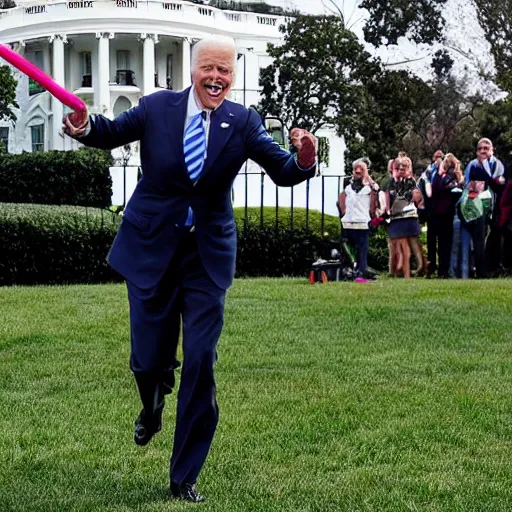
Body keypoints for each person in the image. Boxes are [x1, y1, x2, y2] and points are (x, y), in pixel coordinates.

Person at [63, 35, 318, 503]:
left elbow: (282, 169)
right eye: (210, 70)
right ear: (193, 69)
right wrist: (83, 126)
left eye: (226, 71)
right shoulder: (157, 107)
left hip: (206, 256)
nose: (217, 78)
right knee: (147, 360)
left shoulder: (243, 122)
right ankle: (152, 401)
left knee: (201, 359)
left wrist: (305, 158)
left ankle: (184, 476)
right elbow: (109, 131)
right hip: (151, 246)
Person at [460, 138, 505, 278]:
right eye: (480, 148)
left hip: (495, 207)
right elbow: (466, 185)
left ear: (492, 150)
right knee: (479, 240)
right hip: (477, 207)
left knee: (495, 239)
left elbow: (498, 181)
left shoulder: (498, 164)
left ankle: (495, 269)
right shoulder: (473, 165)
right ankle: (480, 272)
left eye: (486, 148)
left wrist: (486, 168)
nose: (483, 151)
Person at [338, 158, 378, 278]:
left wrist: (368, 178)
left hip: (362, 222)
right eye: (356, 168)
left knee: (362, 249)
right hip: (348, 222)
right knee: (347, 249)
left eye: (362, 169)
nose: (358, 171)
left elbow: (374, 202)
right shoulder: (348, 185)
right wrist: (344, 212)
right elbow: (341, 198)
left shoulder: (370, 187)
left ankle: (361, 270)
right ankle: (348, 271)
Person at [386, 155, 423, 279]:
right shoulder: (391, 182)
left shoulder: (412, 182)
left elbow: (414, 197)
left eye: (404, 167)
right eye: (399, 167)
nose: (401, 170)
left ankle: (420, 267)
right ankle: (395, 271)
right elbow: (388, 196)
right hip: (395, 216)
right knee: (396, 246)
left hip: (409, 215)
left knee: (412, 244)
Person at [427, 153, 464, 278]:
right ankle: (441, 271)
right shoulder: (451, 179)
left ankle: (438, 270)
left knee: (440, 244)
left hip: (440, 214)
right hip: (444, 214)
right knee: (444, 244)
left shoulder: (440, 177)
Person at [417, 149, 444, 276]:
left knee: (443, 241)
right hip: (431, 212)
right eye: (436, 156)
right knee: (431, 241)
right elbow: (420, 189)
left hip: (443, 212)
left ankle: (443, 269)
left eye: (441, 157)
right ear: (433, 158)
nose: (438, 158)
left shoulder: (445, 172)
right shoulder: (427, 173)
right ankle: (431, 267)